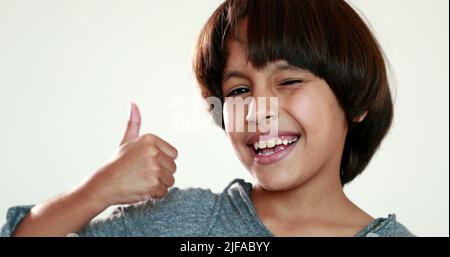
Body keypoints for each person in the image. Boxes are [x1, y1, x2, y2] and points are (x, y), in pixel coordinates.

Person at [1, 0, 414, 237]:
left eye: (288, 80)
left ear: (356, 101)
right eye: (238, 90)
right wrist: (96, 191)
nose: (257, 110)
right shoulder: (181, 222)